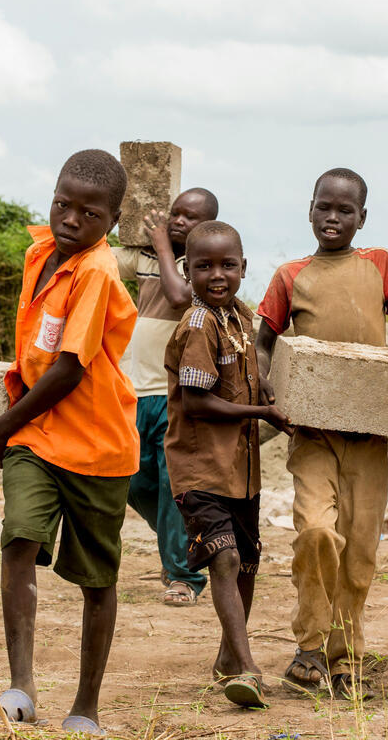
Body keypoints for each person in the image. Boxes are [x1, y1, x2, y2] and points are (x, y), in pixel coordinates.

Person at [255, 168, 388, 698]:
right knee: (316, 533)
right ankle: (309, 645)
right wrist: (266, 386)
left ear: (362, 218)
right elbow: (264, 343)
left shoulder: (380, 264)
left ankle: (344, 658)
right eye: (324, 207)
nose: (333, 218)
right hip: (313, 435)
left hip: (369, 435)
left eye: (345, 210)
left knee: (360, 552)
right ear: (310, 210)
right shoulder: (290, 275)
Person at [0, 149, 138, 736]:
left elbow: (69, 368)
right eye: (63, 204)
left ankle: (86, 706)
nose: (71, 220)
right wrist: (14, 425)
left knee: (97, 579)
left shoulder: (97, 272)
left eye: (90, 214)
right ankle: (22, 685)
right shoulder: (39, 252)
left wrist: (0, 426)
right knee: (19, 537)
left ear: (113, 221)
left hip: (97, 445)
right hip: (37, 434)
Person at [164, 220, 292, 708]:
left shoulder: (239, 317)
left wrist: (268, 395)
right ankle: (247, 666)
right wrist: (262, 413)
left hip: (240, 469)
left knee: (247, 565)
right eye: (204, 266)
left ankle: (226, 658)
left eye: (227, 265)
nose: (217, 275)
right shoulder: (199, 324)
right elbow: (197, 402)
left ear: (243, 268)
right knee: (225, 558)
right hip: (201, 467)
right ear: (187, 270)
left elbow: (248, 379)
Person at [113, 188, 220, 606]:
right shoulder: (144, 259)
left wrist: (161, 245)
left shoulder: (201, 268)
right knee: (132, 480)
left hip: (175, 394)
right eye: (175, 213)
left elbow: (178, 297)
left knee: (170, 485)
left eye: (190, 217)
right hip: (134, 389)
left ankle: (183, 576)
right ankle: (184, 540)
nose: (177, 221)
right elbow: (100, 259)